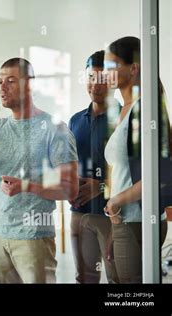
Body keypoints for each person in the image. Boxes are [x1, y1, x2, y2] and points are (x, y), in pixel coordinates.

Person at [0, 58, 79, 283]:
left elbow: (70, 189)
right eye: (0, 81)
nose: (2, 88)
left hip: (33, 237)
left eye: (11, 81)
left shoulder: (56, 130)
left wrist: (27, 187)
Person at [103, 36, 170, 283]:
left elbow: (159, 174)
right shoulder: (125, 108)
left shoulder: (145, 109)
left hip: (138, 220)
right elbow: (121, 172)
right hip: (124, 219)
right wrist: (115, 218)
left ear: (133, 68)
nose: (106, 73)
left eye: (113, 66)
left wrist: (117, 201)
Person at [68, 50, 119, 283]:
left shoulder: (125, 119)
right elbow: (69, 164)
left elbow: (138, 175)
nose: (95, 86)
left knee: (117, 278)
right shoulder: (75, 120)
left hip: (114, 215)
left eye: (102, 80)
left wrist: (101, 187)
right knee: (84, 277)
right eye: (91, 78)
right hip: (80, 212)